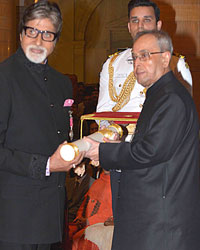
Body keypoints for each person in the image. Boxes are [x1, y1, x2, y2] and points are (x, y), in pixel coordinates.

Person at [84, 30, 200, 250]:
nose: (137, 63)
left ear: (165, 58)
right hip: (153, 218)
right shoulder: (159, 94)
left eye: (145, 55)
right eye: (135, 57)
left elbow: (149, 151)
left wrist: (103, 152)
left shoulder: (171, 98)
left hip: (161, 223)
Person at [96, 0, 193, 216]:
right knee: (124, 222)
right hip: (122, 155)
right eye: (135, 21)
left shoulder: (176, 64)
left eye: (146, 20)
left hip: (159, 161)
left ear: (158, 26)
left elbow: (181, 120)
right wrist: (111, 139)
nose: (140, 26)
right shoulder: (112, 65)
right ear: (129, 26)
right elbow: (102, 113)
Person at [0, 1, 84, 250]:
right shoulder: (4, 79)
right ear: (20, 34)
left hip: (53, 214)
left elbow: (58, 136)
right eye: (32, 31)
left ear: (55, 40)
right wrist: (47, 165)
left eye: (47, 34)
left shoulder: (62, 84)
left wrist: (73, 157)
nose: (38, 40)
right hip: (15, 217)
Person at [69, 169, 113, 250]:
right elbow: (84, 204)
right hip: (84, 223)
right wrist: (79, 217)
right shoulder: (97, 182)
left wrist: (88, 221)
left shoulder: (115, 185)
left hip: (100, 226)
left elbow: (110, 212)